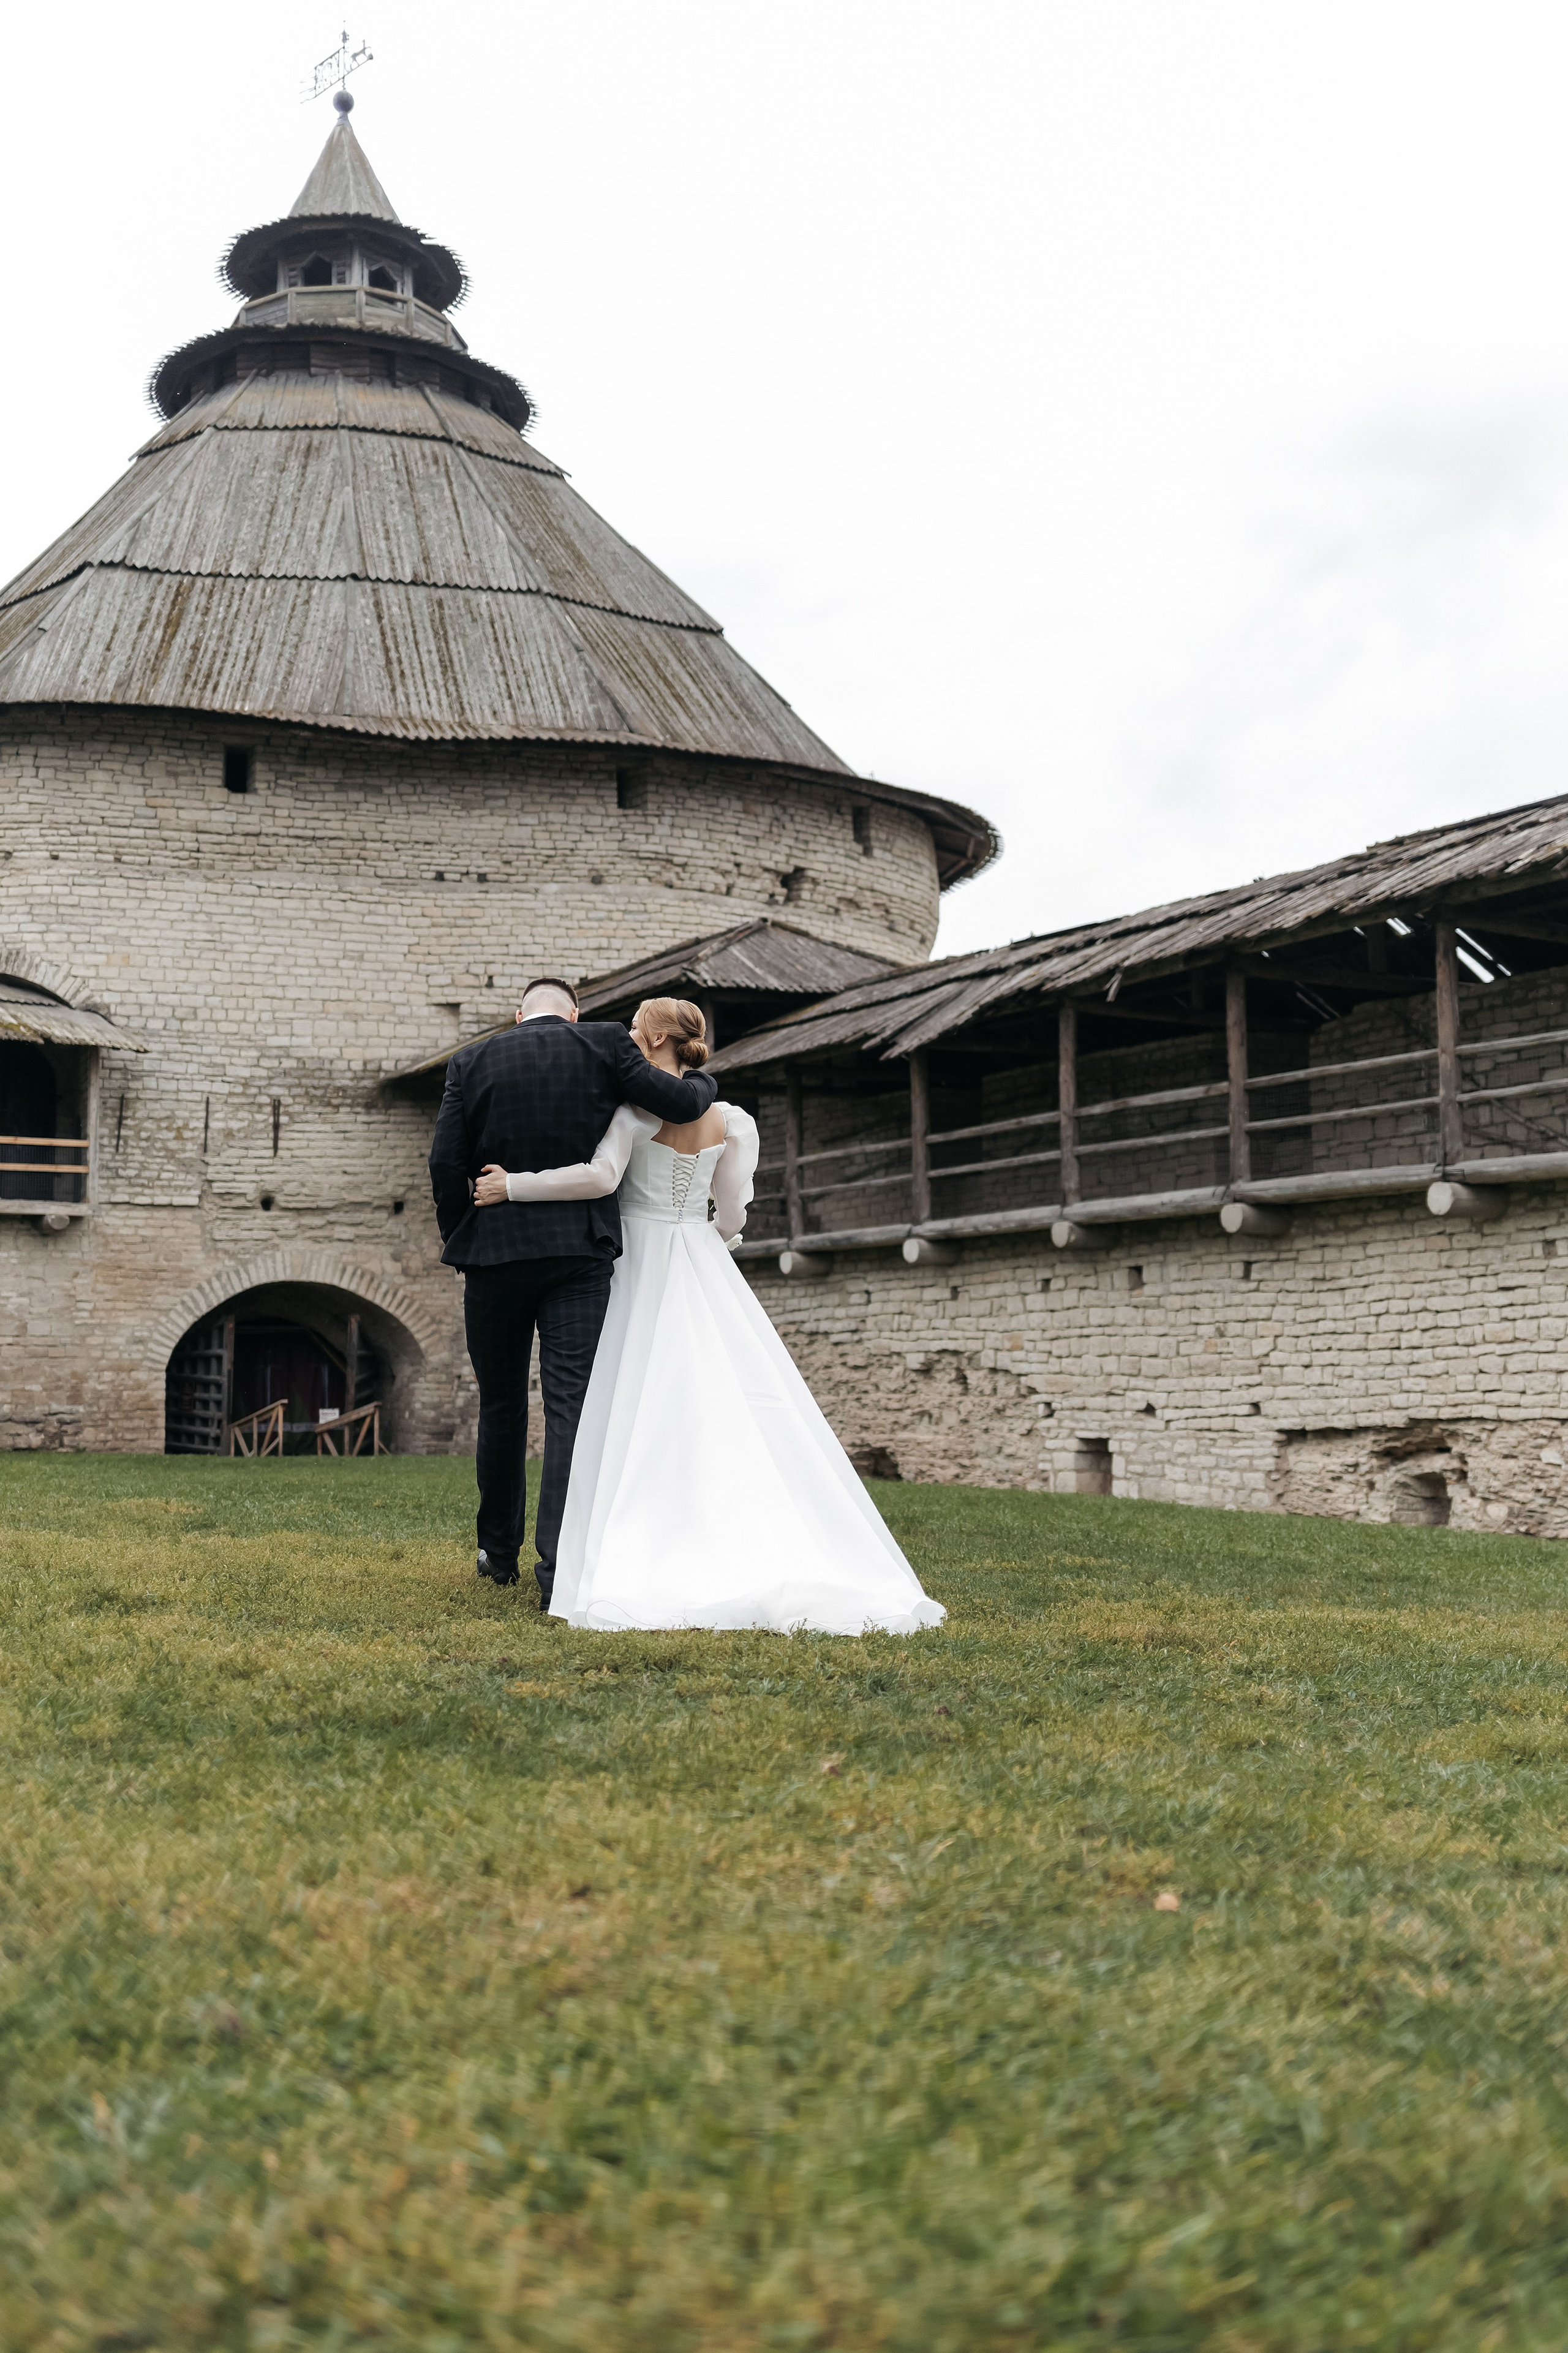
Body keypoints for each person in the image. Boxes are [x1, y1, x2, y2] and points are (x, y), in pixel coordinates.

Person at [471, 995, 945, 1636]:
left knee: (627, 1400)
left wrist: (514, 1184)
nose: (628, 1035)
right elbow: (734, 1212)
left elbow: (600, 1178)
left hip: (635, 1258)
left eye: (636, 1027)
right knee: (713, 1393)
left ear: (658, 1037)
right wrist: (705, 1244)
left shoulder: (633, 1110)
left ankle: (627, 1536)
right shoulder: (731, 1121)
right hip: (698, 1253)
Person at [428, 976, 718, 1609]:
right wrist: (707, 1082)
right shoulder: (605, 1042)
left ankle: (496, 1553)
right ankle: (559, 1567)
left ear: (519, 1014)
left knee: (500, 1405)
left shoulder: (470, 1061)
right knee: (571, 1409)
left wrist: (462, 1235)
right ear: (575, 1014)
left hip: (494, 1253)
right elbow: (679, 1101)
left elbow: (444, 1162)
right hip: (578, 1256)